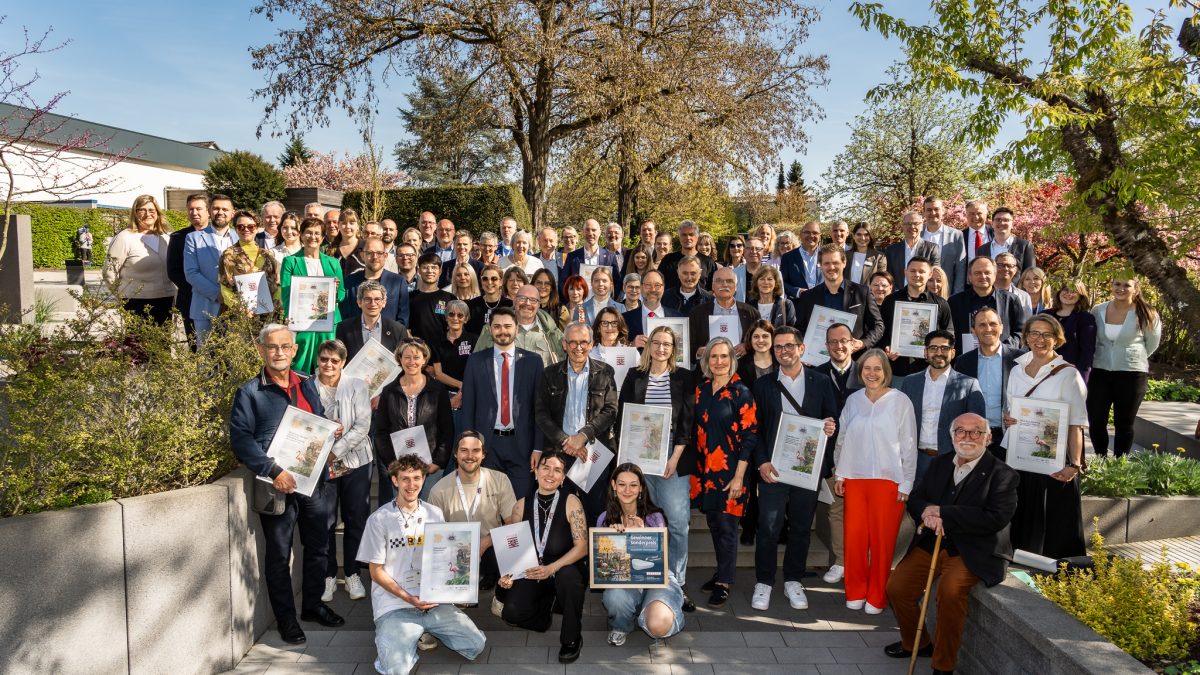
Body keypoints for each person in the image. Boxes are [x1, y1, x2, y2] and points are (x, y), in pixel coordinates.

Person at [229, 324, 344, 644]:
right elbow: (241, 440)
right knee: (279, 555)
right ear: (261, 350)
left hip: (313, 482)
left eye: (284, 347)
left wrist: (329, 430)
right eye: (271, 347)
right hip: (276, 485)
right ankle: (287, 619)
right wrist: (273, 469)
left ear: (294, 350)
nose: (278, 352)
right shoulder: (250, 392)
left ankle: (312, 605)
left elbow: (317, 418)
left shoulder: (308, 384)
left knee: (319, 547)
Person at [885, 413, 1019, 675]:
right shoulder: (941, 463)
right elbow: (917, 497)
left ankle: (943, 665)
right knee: (897, 588)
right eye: (961, 431)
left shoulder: (1003, 474)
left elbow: (996, 517)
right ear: (952, 436)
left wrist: (944, 512)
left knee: (948, 593)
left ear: (988, 438)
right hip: (933, 542)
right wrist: (925, 511)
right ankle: (918, 643)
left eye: (975, 432)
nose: (967, 437)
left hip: (973, 548)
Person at [357, 454, 488, 674]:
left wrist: (456, 588)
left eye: (416, 478)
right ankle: (407, 636)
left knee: (475, 645)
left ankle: (421, 630)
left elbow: (446, 558)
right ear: (395, 480)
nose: (411, 484)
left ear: (424, 479)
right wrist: (408, 598)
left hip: (432, 602)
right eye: (405, 478)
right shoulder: (379, 519)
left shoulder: (434, 513)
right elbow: (376, 572)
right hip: (395, 605)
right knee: (395, 670)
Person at [750, 326, 838, 611]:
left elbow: (831, 420)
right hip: (773, 470)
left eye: (789, 346)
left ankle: (793, 581)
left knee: (801, 528)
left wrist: (830, 427)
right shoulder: (763, 386)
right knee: (768, 527)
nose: (784, 351)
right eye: (778, 347)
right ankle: (763, 582)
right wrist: (761, 462)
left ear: (802, 348)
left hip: (806, 470)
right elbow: (756, 429)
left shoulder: (821, 381)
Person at [617, 326, 697, 612]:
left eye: (667, 344)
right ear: (648, 346)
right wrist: (628, 464)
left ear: (674, 349)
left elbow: (688, 422)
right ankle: (639, 582)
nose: (661, 348)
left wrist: (674, 458)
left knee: (677, 523)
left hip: (672, 461)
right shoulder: (634, 376)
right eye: (657, 343)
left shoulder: (685, 377)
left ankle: (675, 583)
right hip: (638, 462)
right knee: (636, 521)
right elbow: (624, 417)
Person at [833, 348, 916, 614]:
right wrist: (839, 473)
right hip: (855, 479)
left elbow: (909, 444)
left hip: (889, 481)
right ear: (860, 372)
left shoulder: (900, 400)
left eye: (877, 368)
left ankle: (877, 596)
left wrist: (906, 484)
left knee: (883, 542)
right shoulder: (853, 400)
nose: (872, 373)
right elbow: (842, 438)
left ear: (886, 372)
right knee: (855, 539)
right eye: (866, 368)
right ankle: (855, 590)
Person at [1003, 315, 1088, 559]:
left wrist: (1074, 464)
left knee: (1054, 522)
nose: (1039, 339)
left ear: (1056, 339)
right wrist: (1009, 418)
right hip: (1020, 455)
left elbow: (1076, 423)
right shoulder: (1017, 370)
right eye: (1034, 333)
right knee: (1024, 514)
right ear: (1026, 336)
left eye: (1046, 334)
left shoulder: (1068, 374)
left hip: (1054, 459)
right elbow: (1013, 410)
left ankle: (1057, 578)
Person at [497, 451, 589, 664]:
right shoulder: (520, 505)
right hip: (531, 569)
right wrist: (508, 574)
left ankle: (571, 638)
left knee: (570, 581)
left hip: (564, 566)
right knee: (511, 613)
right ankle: (544, 613)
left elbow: (582, 547)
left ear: (563, 477)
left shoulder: (571, 501)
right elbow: (514, 550)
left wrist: (552, 568)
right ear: (536, 471)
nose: (550, 474)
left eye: (557, 470)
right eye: (545, 468)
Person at [692, 337, 757, 608]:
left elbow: (751, 435)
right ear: (707, 361)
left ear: (732, 359)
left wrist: (740, 476)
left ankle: (724, 582)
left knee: (728, 527)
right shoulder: (702, 390)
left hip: (732, 471)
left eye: (724, 356)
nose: (719, 362)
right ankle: (721, 570)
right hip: (705, 472)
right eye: (714, 357)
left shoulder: (741, 391)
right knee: (714, 524)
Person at [534, 322, 620, 523]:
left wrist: (582, 437)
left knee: (595, 512)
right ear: (564, 344)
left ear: (591, 344)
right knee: (559, 515)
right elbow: (541, 414)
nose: (578, 347)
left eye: (583, 342)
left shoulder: (605, 372)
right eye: (573, 342)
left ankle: (593, 555)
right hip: (558, 453)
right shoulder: (549, 374)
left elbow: (611, 411)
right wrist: (567, 442)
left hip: (592, 454)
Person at [312, 339, 374, 603]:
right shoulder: (307, 386)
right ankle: (328, 575)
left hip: (355, 460)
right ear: (318, 360)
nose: (328, 365)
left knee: (355, 517)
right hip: (319, 464)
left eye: (334, 361)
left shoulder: (357, 385)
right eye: (324, 359)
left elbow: (362, 426)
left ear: (343, 362)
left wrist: (336, 451)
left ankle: (351, 573)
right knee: (325, 519)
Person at [599, 463, 687, 646]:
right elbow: (606, 571)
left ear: (641, 489)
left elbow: (656, 563)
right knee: (614, 596)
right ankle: (621, 625)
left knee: (658, 626)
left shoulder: (655, 517)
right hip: (625, 581)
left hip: (657, 580)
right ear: (614, 486)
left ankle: (649, 612)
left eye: (633, 485)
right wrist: (615, 538)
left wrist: (642, 533)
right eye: (622, 484)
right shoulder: (605, 519)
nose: (627, 490)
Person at [461, 307, 546, 496]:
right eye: (497, 326)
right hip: (487, 446)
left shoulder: (533, 361)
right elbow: (468, 407)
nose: (502, 331)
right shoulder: (476, 361)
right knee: (488, 505)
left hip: (522, 446)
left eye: (508, 326)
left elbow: (539, 409)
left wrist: (538, 447)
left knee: (521, 504)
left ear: (517, 329)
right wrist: (470, 445)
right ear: (490, 330)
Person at [428, 431, 519, 593]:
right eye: (464, 450)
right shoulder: (438, 490)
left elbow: (512, 523)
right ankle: (457, 589)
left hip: (490, 549)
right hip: (456, 552)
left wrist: (485, 542)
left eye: (476, 450)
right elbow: (434, 538)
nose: (470, 456)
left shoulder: (500, 480)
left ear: (483, 454)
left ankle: (501, 594)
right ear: (455, 454)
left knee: (513, 544)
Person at [897, 331, 986, 483]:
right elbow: (899, 423)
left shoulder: (969, 384)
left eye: (944, 348)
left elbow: (978, 430)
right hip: (915, 462)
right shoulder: (910, 382)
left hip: (953, 462)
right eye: (933, 348)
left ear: (953, 352)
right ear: (925, 352)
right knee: (916, 506)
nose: (939, 353)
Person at [1088, 277, 1161, 457]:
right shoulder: (1098, 310)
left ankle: (1119, 464)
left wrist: (1131, 357)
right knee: (1096, 420)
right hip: (1100, 372)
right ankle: (1101, 458)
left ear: (1135, 289)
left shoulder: (1147, 312)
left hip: (1132, 373)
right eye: (1117, 284)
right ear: (1111, 286)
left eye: (1126, 285)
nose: (1120, 288)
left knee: (1124, 423)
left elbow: (1152, 343)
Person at [375, 338, 454, 502]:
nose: (412, 362)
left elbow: (447, 429)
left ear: (424, 359)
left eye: (416, 357)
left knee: (427, 514)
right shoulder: (389, 392)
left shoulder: (437, 390)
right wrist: (392, 464)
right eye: (407, 357)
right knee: (402, 515)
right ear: (400, 359)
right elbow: (381, 432)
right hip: (400, 467)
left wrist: (438, 462)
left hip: (430, 466)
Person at [953, 307, 1025, 460]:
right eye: (982, 325)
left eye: (993, 324)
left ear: (1001, 328)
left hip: (1009, 436)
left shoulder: (1021, 360)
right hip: (975, 437)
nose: (988, 329)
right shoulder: (963, 362)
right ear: (973, 330)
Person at [279, 217, 346, 374]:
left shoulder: (333, 263)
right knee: (300, 364)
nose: (312, 237)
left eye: (317, 233)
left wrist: (334, 291)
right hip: (303, 323)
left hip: (328, 323)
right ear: (301, 235)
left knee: (328, 364)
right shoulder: (290, 262)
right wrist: (295, 319)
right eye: (308, 232)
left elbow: (342, 294)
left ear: (323, 237)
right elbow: (286, 295)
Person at [795, 244, 885, 359]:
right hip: (818, 363)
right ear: (820, 266)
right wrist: (805, 351)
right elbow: (799, 329)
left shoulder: (862, 292)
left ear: (844, 263)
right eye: (826, 263)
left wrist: (863, 343)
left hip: (854, 361)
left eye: (835, 263)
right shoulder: (808, 297)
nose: (831, 267)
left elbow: (878, 326)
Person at [103, 194, 175, 324]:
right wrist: (122, 296)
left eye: (152, 210)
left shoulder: (166, 237)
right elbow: (109, 272)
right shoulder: (124, 238)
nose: (148, 214)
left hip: (165, 299)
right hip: (135, 301)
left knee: (163, 343)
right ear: (135, 213)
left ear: (157, 213)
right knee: (137, 343)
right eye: (142, 210)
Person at [879, 256, 955, 378]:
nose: (917, 274)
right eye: (913, 271)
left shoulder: (940, 304)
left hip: (929, 371)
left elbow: (949, 334)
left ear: (929, 274)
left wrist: (936, 351)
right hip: (896, 369)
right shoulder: (890, 301)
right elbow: (880, 331)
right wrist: (886, 347)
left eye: (922, 271)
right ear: (905, 272)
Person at [184, 193, 239, 346]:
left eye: (225, 209)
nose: (220, 212)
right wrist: (218, 295)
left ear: (232, 213)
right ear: (209, 211)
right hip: (204, 306)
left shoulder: (240, 237)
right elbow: (191, 273)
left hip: (235, 308)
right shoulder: (193, 238)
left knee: (234, 360)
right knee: (206, 360)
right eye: (216, 208)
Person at [947, 256, 1028, 353]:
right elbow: (948, 332)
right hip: (964, 361)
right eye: (977, 273)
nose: (983, 276)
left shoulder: (1011, 300)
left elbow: (1021, 331)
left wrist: (1004, 348)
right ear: (970, 276)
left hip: (1003, 359)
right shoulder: (954, 302)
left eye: (987, 272)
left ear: (995, 275)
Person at [476, 283, 565, 366]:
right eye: (522, 298)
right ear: (514, 301)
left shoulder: (552, 333)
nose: (527, 303)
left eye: (533, 300)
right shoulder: (492, 329)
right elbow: (476, 362)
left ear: (538, 305)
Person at [686, 266, 760, 361]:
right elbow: (688, 346)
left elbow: (759, 342)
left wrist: (747, 346)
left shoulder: (751, 313)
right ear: (712, 286)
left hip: (742, 371)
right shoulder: (697, 313)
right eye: (719, 281)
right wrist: (699, 351)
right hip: (708, 370)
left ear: (736, 287)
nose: (724, 285)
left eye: (729, 281)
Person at [429, 299, 478, 435]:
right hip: (443, 397)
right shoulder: (436, 341)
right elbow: (438, 374)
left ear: (466, 319)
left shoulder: (474, 340)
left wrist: (463, 391)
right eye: (451, 314)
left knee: (465, 435)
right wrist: (461, 385)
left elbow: (476, 371)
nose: (455, 318)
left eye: (460, 315)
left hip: (469, 397)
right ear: (446, 317)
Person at [218, 210, 280, 315]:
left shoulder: (267, 255)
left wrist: (275, 305)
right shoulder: (229, 254)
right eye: (241, 227)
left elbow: (277, 284)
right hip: (240, 316)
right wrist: (240, 307)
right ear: (236, 229)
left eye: (250, 226)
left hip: (267, 313)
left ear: (257, 228)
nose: (246, 230)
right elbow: (224, 287)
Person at [167, 193, 208, 344]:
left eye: (199, 209)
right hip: (190, 299)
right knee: (195, 344)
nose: (194, 213)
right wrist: (198, 288)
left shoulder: (221, 235)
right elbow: (173, 271)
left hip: (217, 300)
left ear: (208, 210)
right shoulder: (178, 237)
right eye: (191, 209)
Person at [334, 280, 409, 362]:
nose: (373, 304)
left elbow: (403, 360)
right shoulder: (344, 328)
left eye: (377, 299)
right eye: (367, 299)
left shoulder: (398, 330)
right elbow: (339, 359)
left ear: (384, 302)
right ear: (359, 302)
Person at [340, 237, 407, 326]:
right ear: (362, 255)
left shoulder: (398, 282)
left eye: (379, 253)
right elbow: (344, 316)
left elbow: (403, 317)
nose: (375, 257)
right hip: (356, 337)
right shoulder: (349, 282)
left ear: (385, 256)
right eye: (370, 253)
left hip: (389, 337)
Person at [1046, 280, 1096, 382]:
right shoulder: (1045, 315)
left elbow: (1087, 351)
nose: (1068, 293)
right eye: (1065, 289)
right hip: (1044, 370)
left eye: (1073, 291)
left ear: (1080, 295)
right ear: (1059, 292)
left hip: (1071, 372)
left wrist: (1081, 376)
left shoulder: (1086, 318)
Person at [883, 211, 941, 289]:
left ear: (922, 226)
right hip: (898, 296)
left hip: (922, 296)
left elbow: (934, 275)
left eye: (916, 223)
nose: (912, 227)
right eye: (908, 224)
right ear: (903, 226)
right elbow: (888, 276)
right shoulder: (891, 250)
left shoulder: (932, 249)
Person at [407, 252, 456, 345]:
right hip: (418, 351)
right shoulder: (410, 297)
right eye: (425, 267)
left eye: (434, 267)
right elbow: (406, 328)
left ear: (440, 271)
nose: (430, 271)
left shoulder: (450, 298)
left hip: (443, 351)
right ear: (419, 270)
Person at [921, 197, 967, 294]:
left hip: (946, 292)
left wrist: (957, 294)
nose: (933, 213)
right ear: (924, 212)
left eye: (936, 209)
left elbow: (960, 267)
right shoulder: (917, 234)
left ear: (943, 211)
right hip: (920, 292)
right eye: (929, 210)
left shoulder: (956, 235)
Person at [623, 270, 681, 343]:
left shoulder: (677, 318)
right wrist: (632, 346)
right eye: (648, 285)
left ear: (663, 288)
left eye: (657, 285)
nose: (653, 290)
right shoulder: (625, 319)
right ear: (641, 287)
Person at [562, 218, 621, 289]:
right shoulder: (572, 257)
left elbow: (617, 282)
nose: (590, 233)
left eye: (594, 230)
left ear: (599, 233)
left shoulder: (610, 257)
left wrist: (610, 299)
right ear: (582, 232)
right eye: (587, 230)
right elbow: (564, 282)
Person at [658, 220, 717, 290]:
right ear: (679, 237)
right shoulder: (668, 260)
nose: (688, 238)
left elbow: (713, 289)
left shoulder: (708, 262)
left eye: (691, 234)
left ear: (697, 237)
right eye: (684, 235)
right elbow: (659, 284)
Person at [979, 206, 1036, 272]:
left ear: (1012, 224)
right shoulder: (982, 250)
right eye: (998, 220)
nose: (1002, 223)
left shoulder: (1024, 246)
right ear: (992, 224)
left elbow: (1030, 273)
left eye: (1006, 220)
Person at [780, 220, 823, 298]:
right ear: (800, 235)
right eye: (807, 232)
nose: (811, 235)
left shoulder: (826, 255)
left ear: (820, 236)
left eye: (815, 233)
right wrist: (797, 291)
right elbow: (782, 282)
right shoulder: (788, 257)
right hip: (798, 304)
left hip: (823, 304)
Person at [466, 264, 512, 336]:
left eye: (494, 279)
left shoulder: (509, 305)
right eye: (485, 279)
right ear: (481, 281)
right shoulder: (471, 305)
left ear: (501, 282)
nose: (489, 282)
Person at [331, 209, 367, 277]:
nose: (347, 226)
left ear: (358, 226)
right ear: (338, 225)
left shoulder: (366, 247)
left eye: (352, 223)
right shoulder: (331, 249)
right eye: (344, 223)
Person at [270, 213, 303, 281]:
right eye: (285, 227)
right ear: (280, 229)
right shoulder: (273, 253)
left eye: (293, 228)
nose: (289, 231)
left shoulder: (309, 251)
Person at [961, 199, 993, 265]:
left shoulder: (995, 233)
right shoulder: (960, 236)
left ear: (986, 214)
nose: (976, 217)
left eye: (979, 213)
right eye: (972, 214)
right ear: (966, 215)